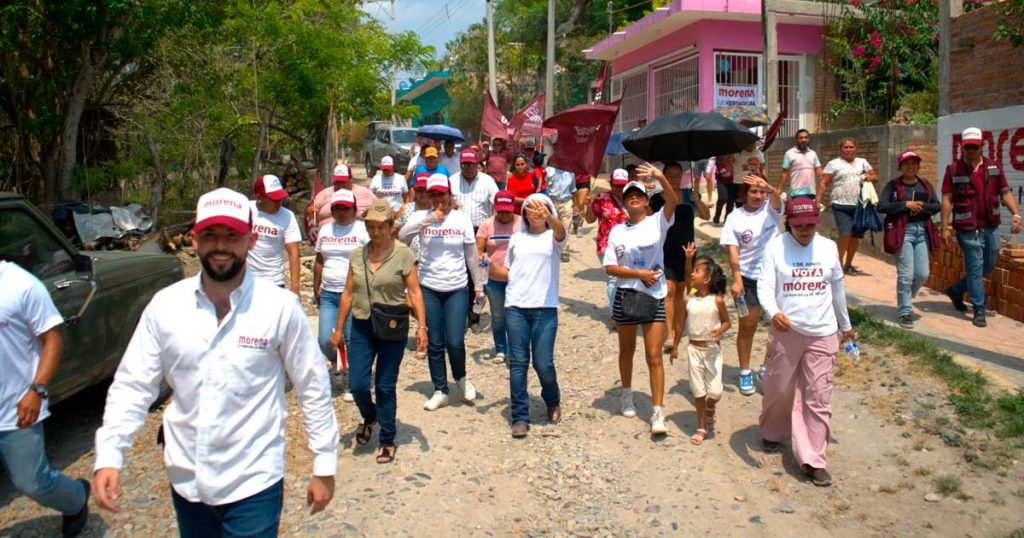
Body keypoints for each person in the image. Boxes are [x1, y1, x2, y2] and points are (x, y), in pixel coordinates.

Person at [93, 188, 338, 535]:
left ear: (251, 240)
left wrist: (324, 463)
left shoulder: (279, 308)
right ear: (194, 239)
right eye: (210, 235)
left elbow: (312, 384)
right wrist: (109, 454)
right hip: (186, 479)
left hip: (255, 480)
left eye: (232, 236)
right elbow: (133, 384)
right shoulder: (166, 306)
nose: (220, 245)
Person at [757, 198, 855, 488]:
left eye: (810, 225)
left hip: (823, 332)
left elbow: (837, 290)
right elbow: (765, 286)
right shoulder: (775, 248)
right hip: (786, 331)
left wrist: (846, 327)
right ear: (789, 222)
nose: (804, 230)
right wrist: (773, 312)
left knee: (818, 396)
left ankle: (813, 460)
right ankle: (774, 431)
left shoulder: (828, 248)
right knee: (780, 388)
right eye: (798, 225)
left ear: (817, 222)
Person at [331, 199, 427, 463]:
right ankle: (370, 416)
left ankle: (387, 438)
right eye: (371, 226)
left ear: (390, 226)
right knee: (358, 384)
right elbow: (348, 293)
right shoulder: (357, 255)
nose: (375, 232)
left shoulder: (403, 254)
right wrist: (338, 329)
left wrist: (422, 327)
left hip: (392, 328)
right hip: (362, 325)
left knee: (385, 385)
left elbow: (415, 292)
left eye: (381, 227)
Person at [0, 261, 90, 538]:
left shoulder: (21, 285)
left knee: (32, 482)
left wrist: (36, 391)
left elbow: (53, 340)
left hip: (16, 408)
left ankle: (76, 497)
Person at [603, 165, 679, 434]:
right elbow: (610, 267)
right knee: (626, 350)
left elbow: (674, 201)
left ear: (646, 201)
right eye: (629, 196)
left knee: (654, 355)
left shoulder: (658, 222)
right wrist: (638, 273)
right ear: (624, 203)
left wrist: (659, 177)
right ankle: (626, 395)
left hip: (653, 296)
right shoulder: (617, 232)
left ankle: (658, 412)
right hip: (626, 295)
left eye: (638, 195)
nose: (634, 198)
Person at [398, 173, 484, 411]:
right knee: (435, 342)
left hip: (456, 288)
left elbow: (471, 256)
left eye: (442, 194)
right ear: (427, 195)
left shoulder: (461, 219)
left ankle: (461, 378)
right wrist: (428, 220)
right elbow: (402, 236)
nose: (438, 199)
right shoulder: (421, 217)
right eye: (433, 194)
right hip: (429, 288)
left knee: (455, 341)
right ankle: (440, 390)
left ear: (449, 194)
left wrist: (478, 286)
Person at [941, 127, 1023, 327]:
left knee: (988, 265)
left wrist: (1016, 214)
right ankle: (979, 308)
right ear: (963, 147)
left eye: (975, 147)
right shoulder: (953, 170)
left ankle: (956, 290)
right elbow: (947, 199)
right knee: (975, 267)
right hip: (967, 228)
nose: (971, 151)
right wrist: (944, 226)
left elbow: (1005, 192)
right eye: (967, 147)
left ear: (981, 146)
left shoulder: (994, 167)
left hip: (990, 226)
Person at [504, 193, 568, 438]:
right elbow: (509, 269)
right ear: (524, 213)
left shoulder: (553, 238)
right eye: (530, 207)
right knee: (518, 362)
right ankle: (520, 416)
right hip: (516, 306)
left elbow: (561, 231)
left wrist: (549, 217)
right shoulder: (516, 238)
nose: (536, 211)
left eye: (541, 207)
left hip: (545, 307)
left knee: (543, 362)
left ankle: (552, 399)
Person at [720, 174, 783, 396]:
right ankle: (745, 371)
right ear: (744, 193)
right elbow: (733, 250)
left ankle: (766, 367)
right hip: (748, 279)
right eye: (753, 191)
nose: (758, 196)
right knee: (747, 326)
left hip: (774, 278)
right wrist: (737, 279)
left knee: (779, 326)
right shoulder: (734, 218)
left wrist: (770, 188)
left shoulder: (771, 210)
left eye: (761, 191)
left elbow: (777, 199)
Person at [650, 162, 711, 360]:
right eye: (670, 175)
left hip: (687, 252)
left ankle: (678, 326)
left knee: (682, 292)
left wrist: (698, 201)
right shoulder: (655, 200)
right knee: (668, 290)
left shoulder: (689, 195)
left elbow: (706, 215)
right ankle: (670, 334)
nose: (674, 179)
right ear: (663, 176)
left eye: (677, 175)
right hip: (664, 251)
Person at [314, 189, 370, 398]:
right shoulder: (326, 230)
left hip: (354, 293)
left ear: (354, 210)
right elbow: (320, 259)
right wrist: (316, 286)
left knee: (351, 339)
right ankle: (338, 363)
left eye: (346, 208)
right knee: (324, 340)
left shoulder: (362, 230)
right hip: (329, 293)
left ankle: (353, 381)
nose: (341, 212)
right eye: (337, 208)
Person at [877, 150, 941, 328]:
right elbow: (881, 206)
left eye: (914, 163)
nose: (911, 167)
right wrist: (905, 204)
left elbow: (937, 205)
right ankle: (905, 311)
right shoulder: (893, 186)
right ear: (900, 166)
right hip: (902, 232)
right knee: (906, 275)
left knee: (922, 274)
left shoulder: (925, 185)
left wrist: (923, 207)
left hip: (922, 232)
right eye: (907, 163)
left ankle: (906, 295)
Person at [681, 245, 731, 445]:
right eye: (694, 268)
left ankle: (711, 407)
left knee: (715, 392)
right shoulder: (692, 294)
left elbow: (727, 321)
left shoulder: (717, 299)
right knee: (698, 391)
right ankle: (701, 426)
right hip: (694, 349)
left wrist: (719, 330)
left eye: (698, 269)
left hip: (712, 350)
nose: (694, 273)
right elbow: (688, 280)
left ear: (708, 278)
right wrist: (688, 259)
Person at [450, 148, 499, 330]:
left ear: (477, 164)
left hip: (480, 233)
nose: (468, 167)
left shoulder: (488, 181)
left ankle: (475, 316)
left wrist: (492, 228)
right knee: (460, 273)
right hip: (457, 231)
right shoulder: (452, 181)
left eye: (471, 164)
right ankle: (459, 315)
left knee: (479, 277)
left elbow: (496, 205)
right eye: (464, 164)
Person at [818, 138, 877, 274]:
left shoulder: (863, 162)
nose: (849, 150)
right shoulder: (833, 164)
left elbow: (874, 176)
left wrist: (869, 177)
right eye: (846, 147)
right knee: (845, 234)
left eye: (851, 147)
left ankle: (848, 265)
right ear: (841, 149)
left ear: (856, 148)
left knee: (855, 237)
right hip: (840, 204)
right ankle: (837, 264)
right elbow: (824, 183)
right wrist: (817, 200)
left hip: (860, 205)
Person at [476, 190, 521, 364]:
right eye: (500, 211)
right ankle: (501, 348)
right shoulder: (487, 225)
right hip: (494, 279)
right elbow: (478, 251)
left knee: (516, 314)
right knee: (498, 315)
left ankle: (516, 348)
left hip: (518, 277)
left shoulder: (523, 224)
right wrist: (480, 282)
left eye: (507, 211)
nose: (503, 214)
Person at [584, 168, 629, 317]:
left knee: (627, 278)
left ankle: (627, 310)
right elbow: (589, 219)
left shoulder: (633, 198)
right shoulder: (601, 198)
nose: (620, 189)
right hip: (606, 246)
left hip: (630, 245)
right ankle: (615, 314)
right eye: (617, 185)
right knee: (613, 279)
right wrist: (589, 205)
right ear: (611, 184)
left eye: (623, 185)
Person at [248, 174, 302, 294]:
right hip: (246, 281)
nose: (279, 202)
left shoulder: (287, 216)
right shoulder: (245, 210)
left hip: (274, 281)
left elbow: (293, 252)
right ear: (259, 198)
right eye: (274, 199)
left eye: (280, 198)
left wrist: (295, 288)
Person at [310, 164, 375, 233]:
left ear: (350, 179)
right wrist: (315, 220)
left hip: (356, 234)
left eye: (343, 182)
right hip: (327, 235)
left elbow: (379, 209)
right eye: (337, 182)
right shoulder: (325, 193)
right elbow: (311, 208)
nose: (340, 185)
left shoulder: (365, 193)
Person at [545, 165, 577, 262]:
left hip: (566, 202)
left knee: (566, 226)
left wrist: (575, 204)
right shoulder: (548, 171)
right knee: (551, 226)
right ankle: (551, 248)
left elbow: (573, 190)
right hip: (552, 201)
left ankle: (564, 251)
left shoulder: (571, 173)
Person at [779, 129, 823, 200]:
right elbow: (784, 173)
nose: (803, 140)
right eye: (801, 138)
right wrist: (779, 188)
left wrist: (823, 184)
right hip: (797, 193)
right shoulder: (789, 153)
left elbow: (819, 171)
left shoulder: (813, 154)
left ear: (809, 139)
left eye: (806, 137)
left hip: (811, 192)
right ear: (796, 139)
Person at [395, 173, 431, 258]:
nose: (422, 194)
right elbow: (395, 230)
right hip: (410, 258)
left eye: (426, 190)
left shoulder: (436, 210)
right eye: (419, 190)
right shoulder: (405, 209)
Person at [712, 154, 736, 225]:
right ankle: (717, 215)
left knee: (730, 202)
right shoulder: (719, 155)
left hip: (733, 181)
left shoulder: (735, 155)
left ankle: (727, 219)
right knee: (723, 198)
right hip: (721, 181)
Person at [571, 172, 592, 237]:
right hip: (571, 179)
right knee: (574, 206)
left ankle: (580, 228)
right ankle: (575, 224)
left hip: (584, 180)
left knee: (581, 204)